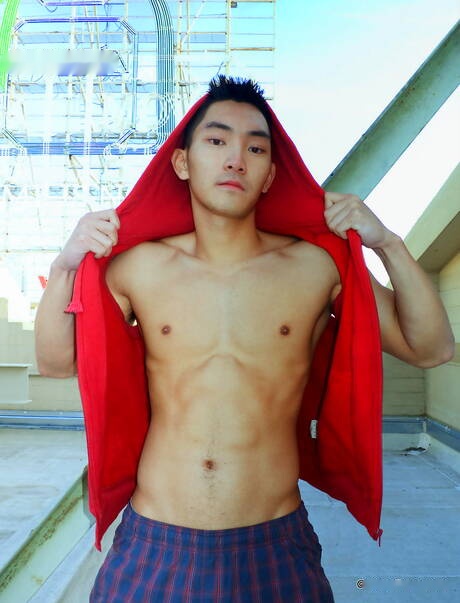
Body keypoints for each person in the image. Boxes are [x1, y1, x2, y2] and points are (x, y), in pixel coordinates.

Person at [35, 76, 454, 602]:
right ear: (182, 163)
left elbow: (431, 348)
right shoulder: (138, 268)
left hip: (274, 542)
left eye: (255, 148)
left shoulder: (314, 268)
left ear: (270, 174)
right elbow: (55, 363)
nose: (236, 159)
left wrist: (387, 243)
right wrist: (65, 264)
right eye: (216, 141)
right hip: (155, 537)